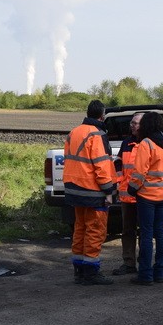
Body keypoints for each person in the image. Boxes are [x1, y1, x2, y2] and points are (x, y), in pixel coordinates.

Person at [63, 99, 117, 286]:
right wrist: (109, 190)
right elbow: (102, 167)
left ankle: (79, 270)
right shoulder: (97, 135)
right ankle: (91, 273)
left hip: (74, 190)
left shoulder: (74, 132)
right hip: (93, 192)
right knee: (95, 231)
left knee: (80, 229)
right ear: (102, 116)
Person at [126, 111, 163, 285]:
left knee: (146, 235)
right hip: (162, 195)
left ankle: (145, 275)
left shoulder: (146, 144)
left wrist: (132, 189)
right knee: (160, 233)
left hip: (146, 196)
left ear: (146, 125)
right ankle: (160, 273)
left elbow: (140, 172)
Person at [112, 112, 143, 276]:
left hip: (144, 197)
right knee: (127, 231)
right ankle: (129, 263)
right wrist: (119, 182)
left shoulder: (149, 143)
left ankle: (144, 264)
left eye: (136, 123)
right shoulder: (126, 143)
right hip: (127, 196)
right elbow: (118, 163)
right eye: (131, 123)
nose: (132, 125)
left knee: (145, 231)